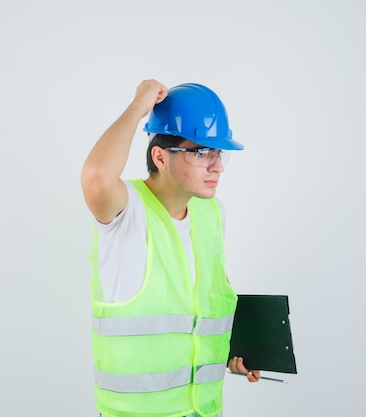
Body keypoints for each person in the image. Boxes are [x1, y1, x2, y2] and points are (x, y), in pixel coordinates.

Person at [81, 79, 259, 417]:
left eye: (218, 153)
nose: (217, 165)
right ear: (160, 156)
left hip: (204, 410)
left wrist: (234, 354)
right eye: (201, 151)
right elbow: (96, 177)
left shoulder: (212, 213)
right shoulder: (127, 212)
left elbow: (197, 316)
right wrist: (138, 108)